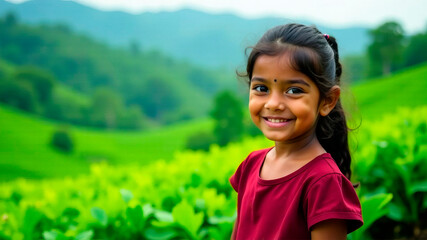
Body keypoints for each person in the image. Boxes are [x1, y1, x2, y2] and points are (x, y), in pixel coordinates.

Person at [229, 23, 363, 239]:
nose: (273, 104)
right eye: (261, 88)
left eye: (294, 90)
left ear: (327, 101)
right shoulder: (250, 165)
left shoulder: (323, 183)